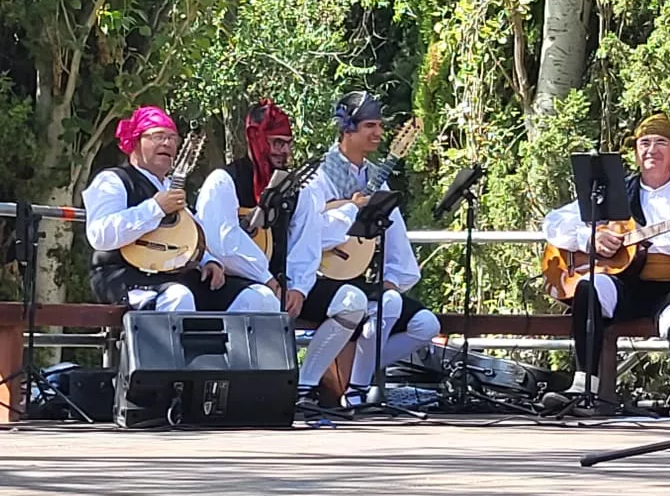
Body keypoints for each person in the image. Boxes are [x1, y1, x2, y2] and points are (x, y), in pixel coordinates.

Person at [539, 113, 670, 410]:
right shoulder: (615, 192)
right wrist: (589, 239)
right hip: (624, 283)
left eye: (661, 142)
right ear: (636, 152)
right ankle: (585, 385)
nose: (652, 149)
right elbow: (553, 222)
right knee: (588, 287)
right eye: (645, 143)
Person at [289, 91, 441, 408]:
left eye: (380, 126)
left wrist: (394, 278)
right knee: (369, 303)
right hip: (316, 275)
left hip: (358, 276)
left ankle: (358, 386)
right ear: (348, 128)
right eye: (370, 125)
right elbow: (307, 233)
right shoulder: (318, 177)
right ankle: (307, 387)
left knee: (423, 322)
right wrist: (350, 209)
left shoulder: (375, 178)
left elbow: (394, 230)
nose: (378, 133)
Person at [86, 107, 278, 314]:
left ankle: (224, 347)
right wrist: (155, 208)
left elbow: (189, 235)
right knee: (178, 297)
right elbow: (99, 235)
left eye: (172, 138)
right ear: (135, 141)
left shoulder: (171, 187)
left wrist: (208, 261)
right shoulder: (113, 180)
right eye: (158, 136)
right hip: (124, 274)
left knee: (260, 298)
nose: (167, 143)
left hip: (175, 274)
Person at [192, 101, 299, 318]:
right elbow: (223, 243)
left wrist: (299, 287)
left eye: (289, 143)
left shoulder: (295, 189)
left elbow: (305, 239)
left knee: (351, 302)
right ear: (257, 140)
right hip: (225, 283)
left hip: (279, 285)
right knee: (262, 300)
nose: (285, 151)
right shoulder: (223, 181)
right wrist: (266, 278)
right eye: (278, 143)